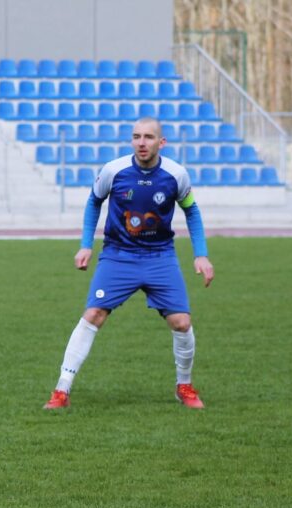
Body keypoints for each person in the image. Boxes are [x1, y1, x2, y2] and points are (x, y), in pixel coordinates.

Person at [44, 116, 215, 410]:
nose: (141, 143)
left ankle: (184, 386)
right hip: (118, 256)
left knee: (182, 322)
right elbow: (94, 201)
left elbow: (192, 211)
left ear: (162, 142)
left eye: (148, 137)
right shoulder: (114, 170)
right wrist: (86, 245)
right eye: (136, 137)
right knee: (93, 314)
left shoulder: (176, 175)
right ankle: (61, 390)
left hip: (160, 257)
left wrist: (200, 253)